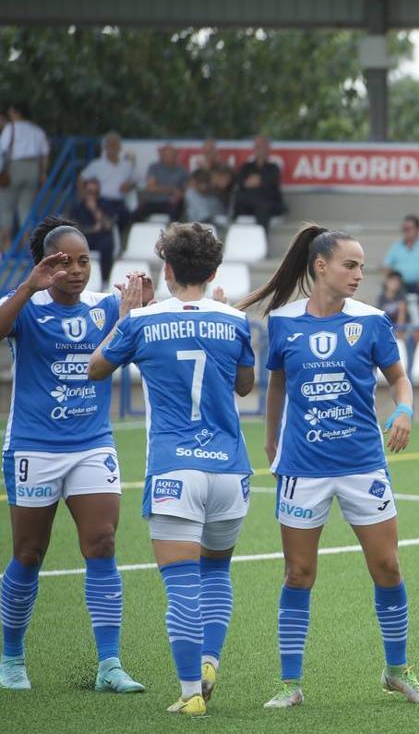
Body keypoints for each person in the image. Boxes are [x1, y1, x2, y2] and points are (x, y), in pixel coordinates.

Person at [235, 225, 419, 709]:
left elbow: (399, 380)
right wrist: (271, 442)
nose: (359, 274)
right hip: (303, 467)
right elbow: (276, 385)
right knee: (298, 573)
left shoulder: (372, 321)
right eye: (351, 265)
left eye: (363, 266)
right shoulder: (282, 322)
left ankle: (397, 671)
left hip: (364, 464)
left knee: (387, 567)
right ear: (320, 266)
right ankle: (290, 684)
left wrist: (403, 410)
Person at [88, 222, 253, 714]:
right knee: (217, 571)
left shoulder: (143, 323)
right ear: (213, 271)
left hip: (174, 469)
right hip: (229, 468)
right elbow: (244, 385)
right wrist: (223, 314)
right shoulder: (235, 322)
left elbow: (97, 368)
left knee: (181, 582)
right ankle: (208, 660)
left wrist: (126, 314)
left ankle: (188, 695)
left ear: (168, 269)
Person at [0, 218, 146, 693]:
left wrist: (131, 313)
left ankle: (110, 665)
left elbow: (134, 346)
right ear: (45, 263)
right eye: (64, 261)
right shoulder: (24, 307)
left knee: (102, 544)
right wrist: (28, 285)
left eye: (83, 260)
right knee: (28, 553)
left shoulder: (106, 309)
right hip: (33, 447)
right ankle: (11, 659)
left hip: (91, 446)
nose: (77, 270)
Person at [0, 102, 50, 247]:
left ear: (16, 112)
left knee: (6, 206)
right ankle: (27, 246)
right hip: (33, 168)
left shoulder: (11, 128)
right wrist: (43, 173)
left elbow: (2, 149)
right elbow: (45, 152)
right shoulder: (37, 130)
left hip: (15, 167)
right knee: (26, 207)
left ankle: (5, 246)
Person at [78, 131, 138, 241]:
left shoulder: (126, 165)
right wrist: (84, 196)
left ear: (120, 147)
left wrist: (128, 186)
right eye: (110, 144)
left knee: (125, 215)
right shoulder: (97, 164)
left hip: (119, 200)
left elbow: (134, 182)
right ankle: (110, 241)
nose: (112, 147)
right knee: (108, 216)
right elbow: (81, 178)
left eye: (115, 144)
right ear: (105, 146)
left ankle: (117, 240)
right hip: (102, 200)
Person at [381, 215, 419, 317]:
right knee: (389, 292)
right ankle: (393, 323)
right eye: (404, 228)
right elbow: (385, 266)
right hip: (401, 284)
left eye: (409, 228)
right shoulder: (396, 246)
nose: (406, 231)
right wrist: (393, 279)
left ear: (418, 229)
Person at [67, 178, 118, 284]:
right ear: (84, 192)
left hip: (101, 238)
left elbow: (108, 225)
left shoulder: (105, 204)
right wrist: (93, 229)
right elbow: (74, 228)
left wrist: (95, 210)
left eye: (96, 192)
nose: (92, 195)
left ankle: (105, 279)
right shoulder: (77, 208)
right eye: (90, 192)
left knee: (107, 244)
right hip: (83, 238)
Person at [232, 134, 286, 234]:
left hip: (268, 205)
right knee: (242, 199)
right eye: (257, 147)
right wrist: (259, 181)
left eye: (263, 147)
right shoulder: (246, 167)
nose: (260, 150)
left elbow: (269, 183)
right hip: (248, 206)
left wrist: (257, 182)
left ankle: (261, 244)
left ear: (268, 149)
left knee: (263, 206)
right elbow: (242, 183)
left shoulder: (274, 168)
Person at [138, 142, 189, 222]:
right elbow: (151, 188)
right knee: (136, 214)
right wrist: (171, 189)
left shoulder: (181, 170)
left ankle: (174, 233)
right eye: (166, 155)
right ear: (161, 156)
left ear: (176, 156)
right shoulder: (154, 167)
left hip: (171, 203)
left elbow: (186, 189)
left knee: (177, 212)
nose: (168, 157)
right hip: (153, 202)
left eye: (171, 155)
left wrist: (179, 195)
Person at [378, 271, 410, 344]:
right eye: (393, 281)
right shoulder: (381, 298)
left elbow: (402, 316)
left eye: (398, 281)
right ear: (387, 282)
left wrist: (399, 331)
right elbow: (380, 317)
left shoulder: (402, 297)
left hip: (401, 329)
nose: (395, 283)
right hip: (386, 328)